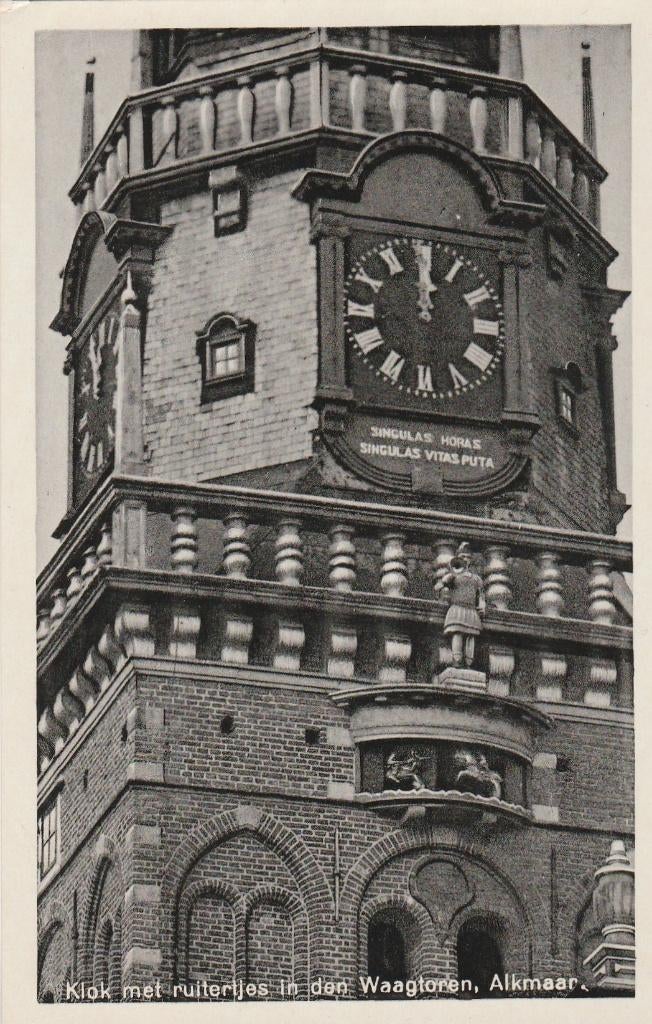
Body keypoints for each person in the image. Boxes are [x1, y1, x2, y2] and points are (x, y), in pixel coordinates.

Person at [434, 542, 485, 668]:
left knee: (470, 637)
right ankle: (457, 660)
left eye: (467, 558)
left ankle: (469, 662)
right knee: (457, 633)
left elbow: (480, 594)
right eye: (462, 557)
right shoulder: (453, 576)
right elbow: (440, 586)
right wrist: (451, 574)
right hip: (457, 609)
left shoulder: (476, 579)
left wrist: (482, 605)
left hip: (471, 611)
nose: (465, 560)